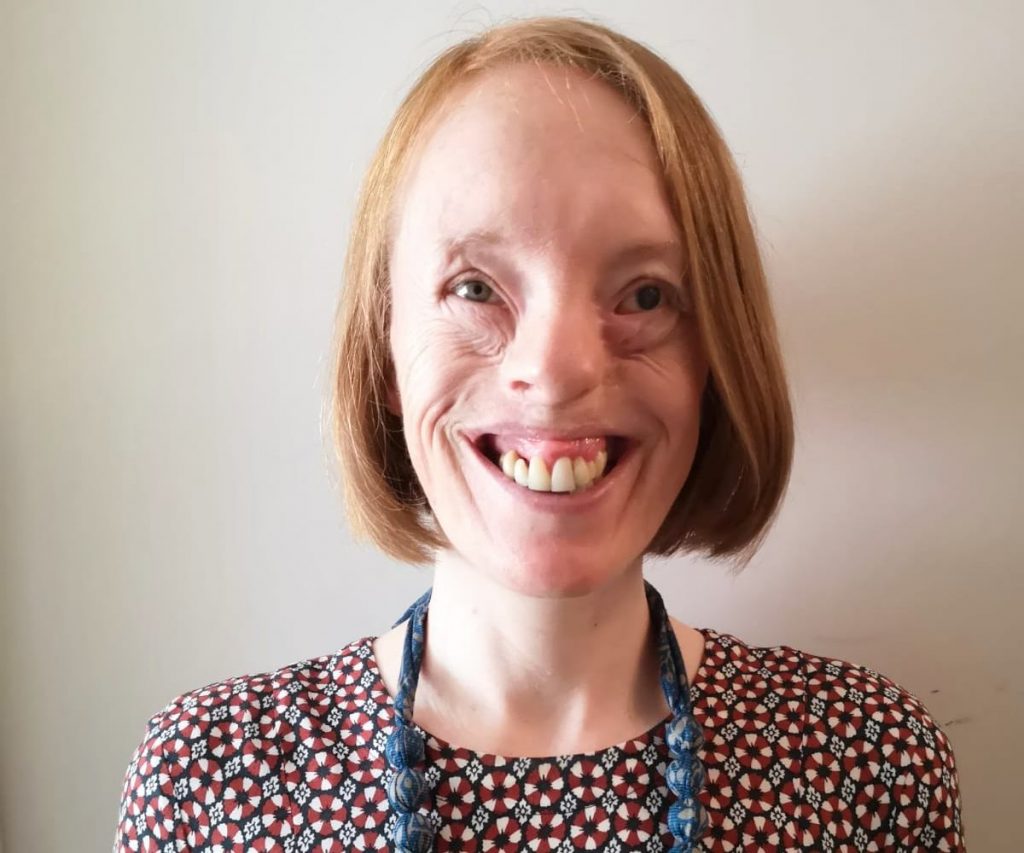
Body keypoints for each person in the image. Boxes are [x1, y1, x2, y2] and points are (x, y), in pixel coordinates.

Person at [114, 16, 966, 852]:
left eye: (645, 295)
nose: (556, 372)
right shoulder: (206, 781)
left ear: (715, 363)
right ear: (384, 349)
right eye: (476, 288)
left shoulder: (865, 770)